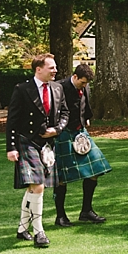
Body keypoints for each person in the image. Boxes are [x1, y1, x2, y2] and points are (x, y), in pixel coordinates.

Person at [6, 53, 70, 248]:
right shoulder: (22, 89)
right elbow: (13, 120)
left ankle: (22, 228)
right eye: (51, 67)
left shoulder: (57, 88)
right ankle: (39, 231)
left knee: (33, 187)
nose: (55, 70)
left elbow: (65, 113)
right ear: (38, 69)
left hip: (46, 144)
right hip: (27, 141)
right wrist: (11, 147)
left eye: (55, 67)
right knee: (38, 185)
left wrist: (57, 129)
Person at [52, 64, 111, 227]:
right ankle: (61, 216)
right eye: (82, 82)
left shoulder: (85, 86)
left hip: (80, 131)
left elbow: (85, 104)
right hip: (63, 133)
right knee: (61, 176)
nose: (84, 86)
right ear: (75, 77)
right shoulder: (60, 88)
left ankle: (86, 211)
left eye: (86, 83)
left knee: (95, 170)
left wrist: (85, 117)